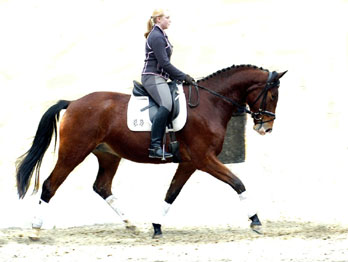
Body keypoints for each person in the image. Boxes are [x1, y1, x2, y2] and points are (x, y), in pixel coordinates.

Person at [141, 8, 196, 159]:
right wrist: (182, 76)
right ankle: (155, 146)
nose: (169, 20)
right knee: (166, 104)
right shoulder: (157, 36)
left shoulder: (161, 35)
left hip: (161, 77)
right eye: (167, 17)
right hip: (152, 77)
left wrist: (177, 78)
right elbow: (164, 63)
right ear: (158, 19)